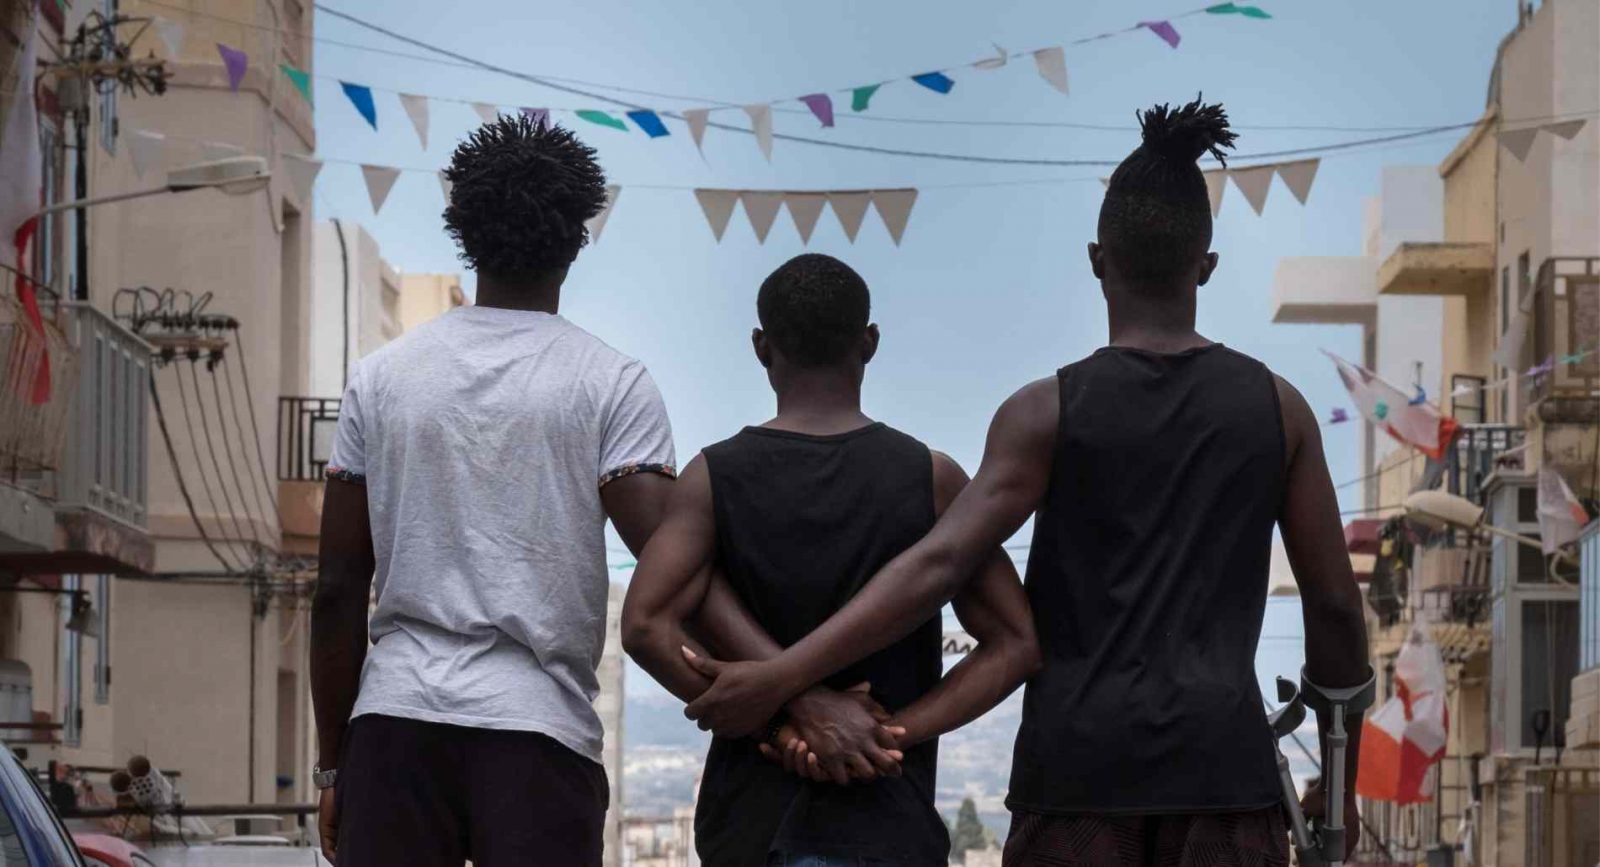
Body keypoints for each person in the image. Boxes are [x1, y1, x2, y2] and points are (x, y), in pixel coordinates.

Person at [679, 99, 1373, 866]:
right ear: (1204, 267)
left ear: (1097, 259)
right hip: (1224, 782)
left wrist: (785, 675)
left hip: (1073, 787)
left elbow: (938, 565)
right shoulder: (1278, 410)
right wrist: (1340, 780)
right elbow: (1336, 609)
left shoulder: (1044, 413)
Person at [310, 115, 681, 866]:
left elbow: (337, 585)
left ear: (462, 230)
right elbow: (673, 562)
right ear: (578, 238)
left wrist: (333, 764)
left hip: (394, 729)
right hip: (539, 736)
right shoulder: (611, 383)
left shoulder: (381, 379)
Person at [621, 253, 1042, 867]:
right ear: (868, 343)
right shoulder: (931, 478)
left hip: (747, 827)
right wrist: (889, 736)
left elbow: (644, 625)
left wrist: (775, 728)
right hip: (885, 822)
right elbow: (1016, 642)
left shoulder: (713, 476)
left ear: (761, 347)